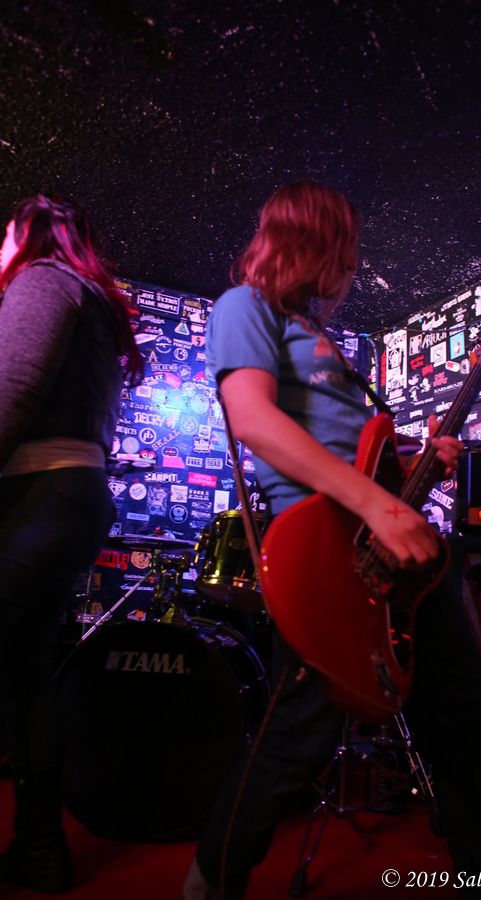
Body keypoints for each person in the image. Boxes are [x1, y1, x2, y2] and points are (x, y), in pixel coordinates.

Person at [183, 181, 481, 899]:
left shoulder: (320, 337)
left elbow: (360, 455)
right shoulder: (245, 307)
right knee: (296, 736)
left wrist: (416, 466)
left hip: (394, 552)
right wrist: (377, 506)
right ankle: (211, 882)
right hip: (327, 552)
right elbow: (253, 420)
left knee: (467, 713)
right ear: (316, 240)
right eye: (349, 248)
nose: (354, 266)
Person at [0, 194, 144, 892]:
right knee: (29, 678)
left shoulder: (43, 279)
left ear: (30, 234)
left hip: (39, 496)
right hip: (73, 497)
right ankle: (39, 849)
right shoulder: (98, 307)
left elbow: (12, 389)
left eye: (4, 233)